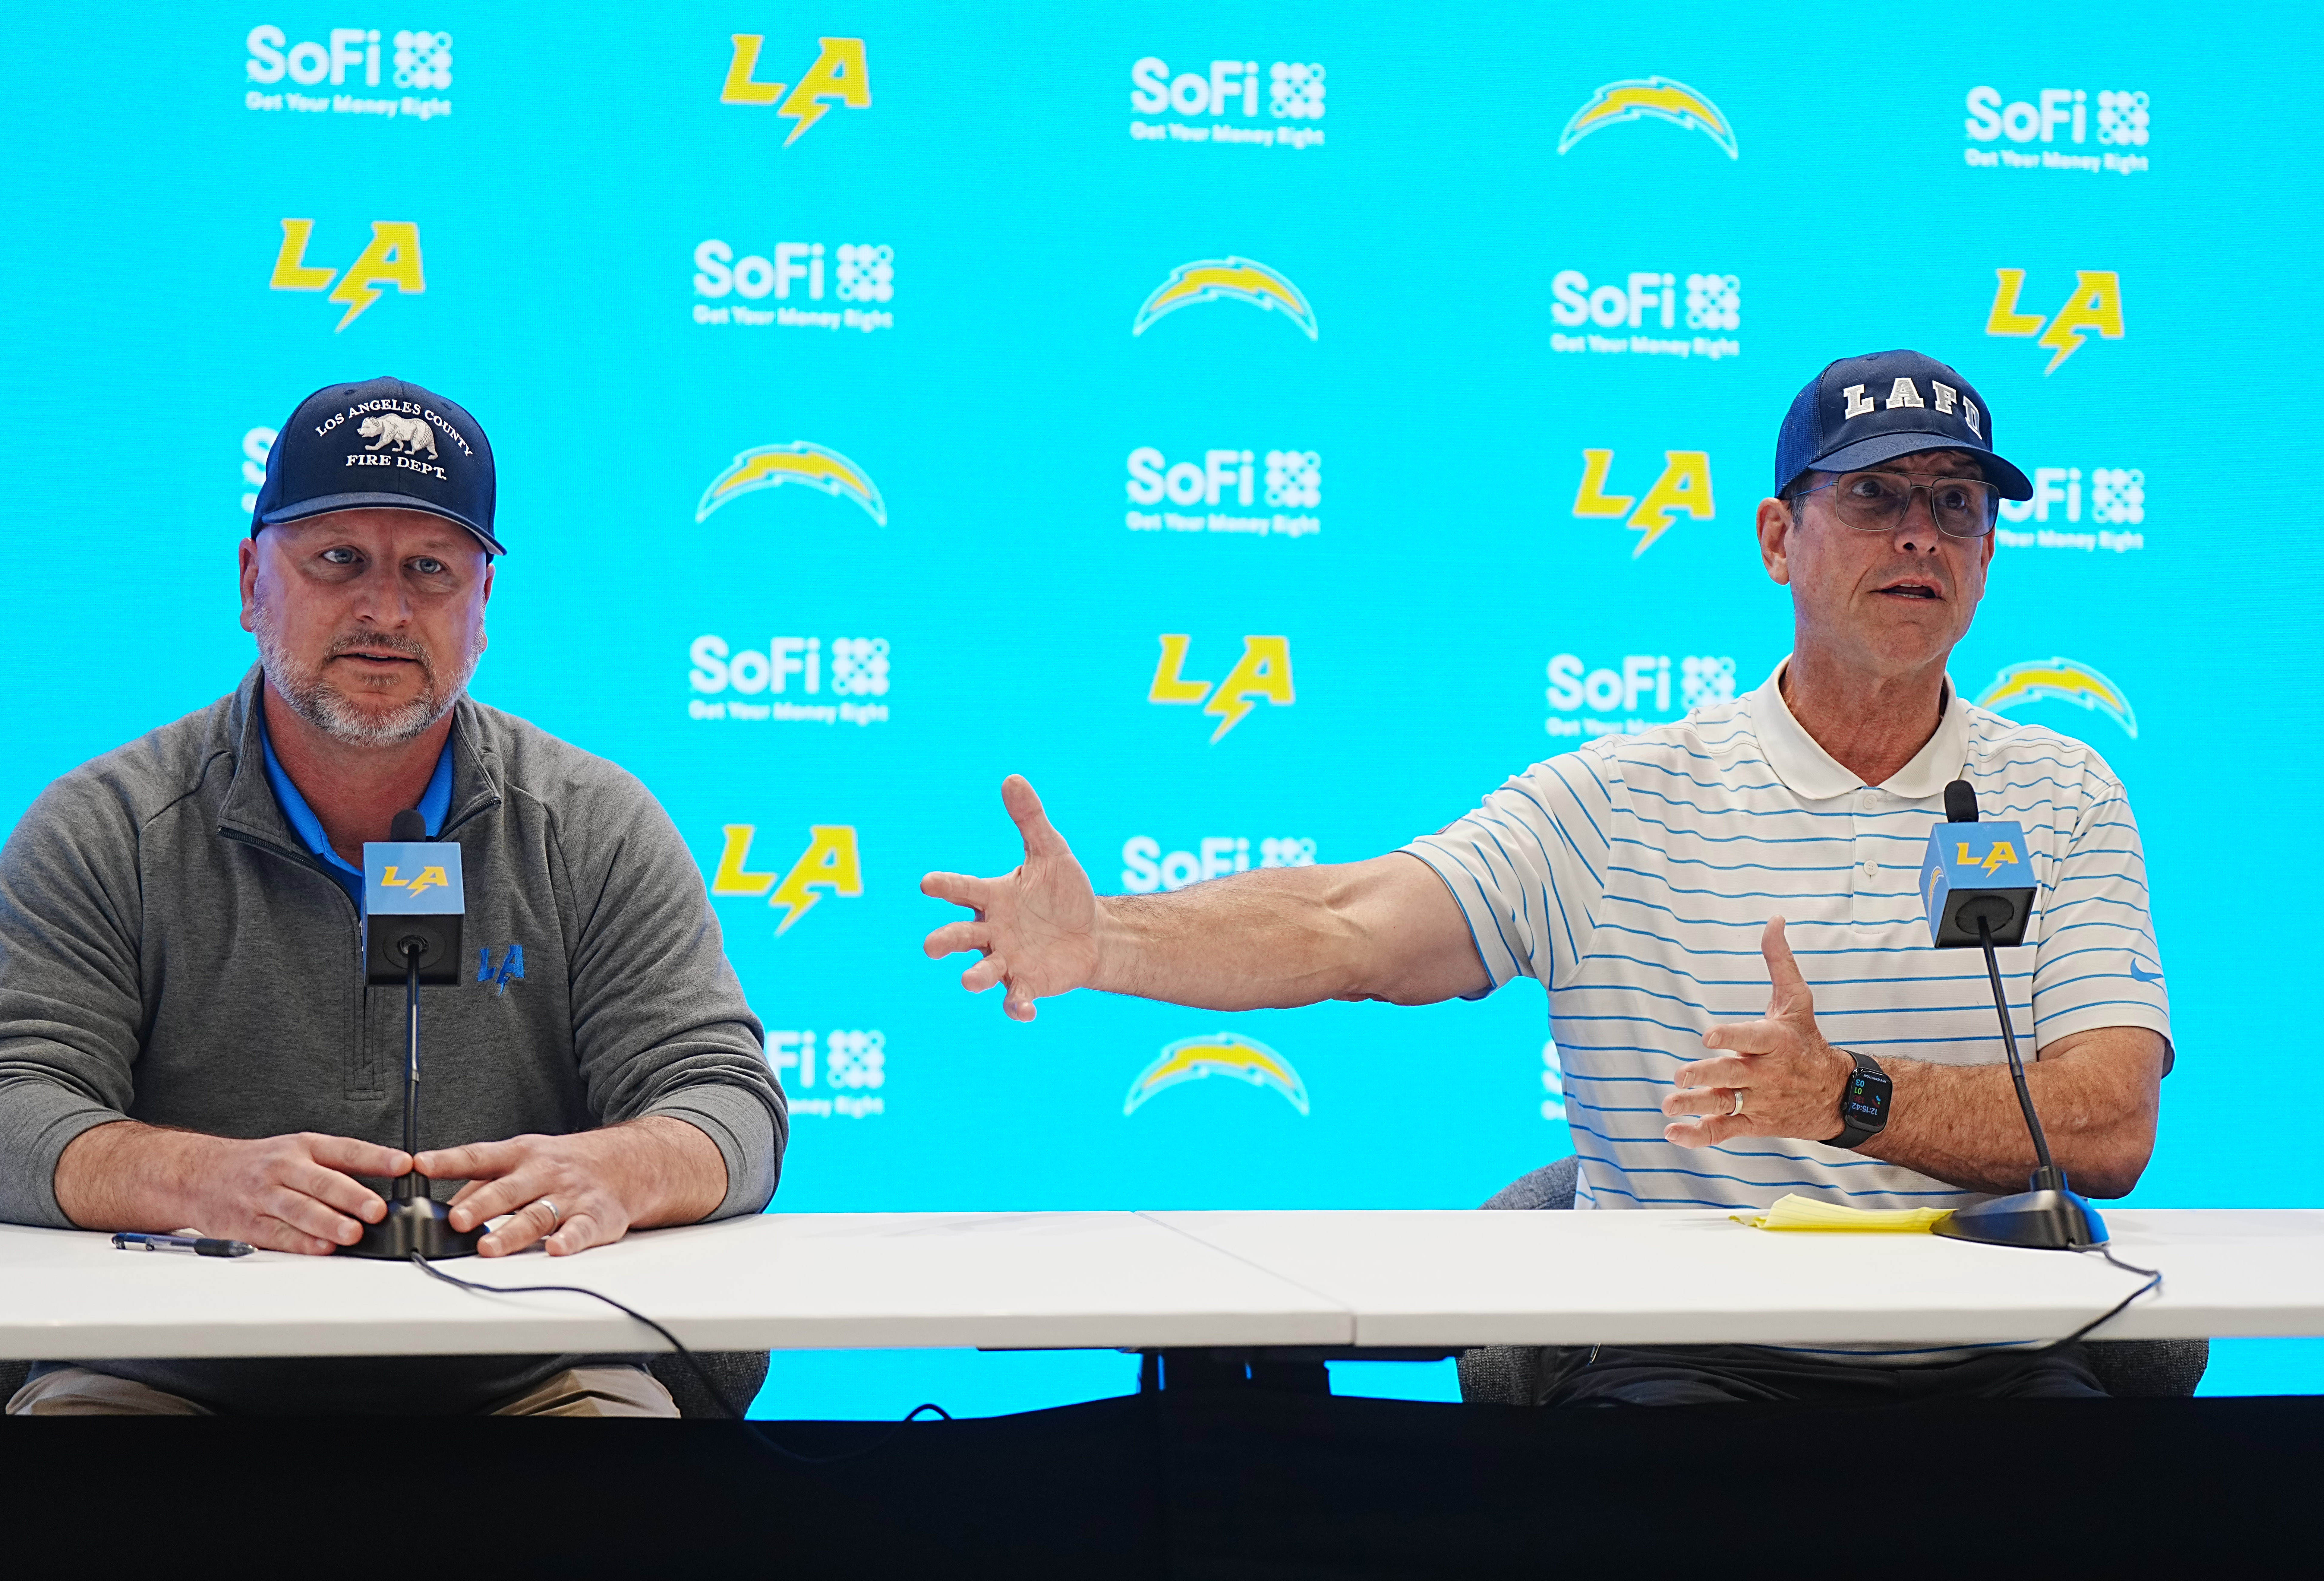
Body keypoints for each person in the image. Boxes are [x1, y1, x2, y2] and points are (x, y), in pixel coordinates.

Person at [919, 349, 2167, 1406]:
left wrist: (1842, 1097)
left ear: (1990, 555)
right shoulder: (1622, 800)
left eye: (1957, 505)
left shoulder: (2058, 792)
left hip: (1996, 1360)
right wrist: (1107, 942)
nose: (1918, 532)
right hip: (1688, 1366)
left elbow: (2108, 1125)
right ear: (1780, 538)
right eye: (1877, 494)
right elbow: (1349, 922)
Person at [0, 377, 784, 1417]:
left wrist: (624, 1167)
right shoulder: (110, 824)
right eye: (338, 560)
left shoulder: (589, 823)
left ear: (481, 610)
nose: (384, 610)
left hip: (531, 1373)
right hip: (167, 1371)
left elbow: (725, 1100)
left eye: (429, 569)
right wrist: (198, 1181)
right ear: (252, 583)